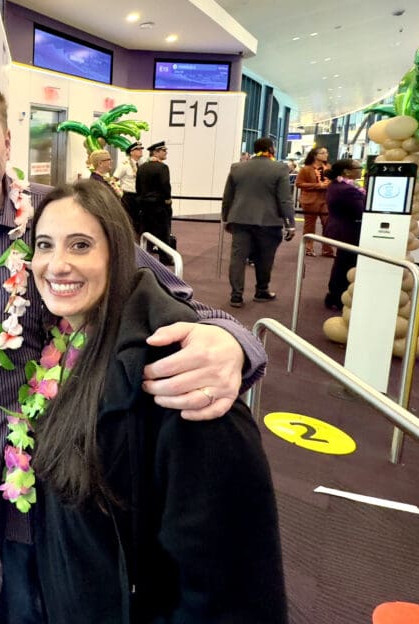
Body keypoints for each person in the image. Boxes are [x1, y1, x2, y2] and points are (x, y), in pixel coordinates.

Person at [0, 63, 268, 624]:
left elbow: (172, 298)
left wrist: (234, 341)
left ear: (7, 140)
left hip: (50, 488)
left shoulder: (59, 219)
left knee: (32, 613)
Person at [28, 179, 288, 622]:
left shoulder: (179, 378)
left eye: (80, 245)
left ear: (120, 255)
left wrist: (237, 341)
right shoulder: (76, 342)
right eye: (44, 245)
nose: (57, 265)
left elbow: (228, 589)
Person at [221, 137, 296, 307]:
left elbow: (228, 197)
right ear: (271, 148)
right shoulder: (280, 168)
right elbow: (285, 199)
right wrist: (290, 223)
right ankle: (262, 291)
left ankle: (236, 295)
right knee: (265, 258)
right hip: (269, 221)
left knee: (237, 258)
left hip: (240, 219)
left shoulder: (237, 167)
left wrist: (226, 217)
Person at [324, 158, 365, 311]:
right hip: (348, 230)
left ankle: (335, 294)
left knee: (342, 262)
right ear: (346, 171)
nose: (361, 169)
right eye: (358, 167)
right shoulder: (347, 189)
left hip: (342, 229)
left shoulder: (339, 186)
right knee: (346, 264)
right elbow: (360, 210)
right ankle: (338, 296)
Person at [136, 140, 173, 263]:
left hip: (144, 205)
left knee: (146, 231)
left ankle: (143, 257)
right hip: (159, 205)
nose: (166, 152)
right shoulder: (162, 167)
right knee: (163, 232)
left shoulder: (142, 167)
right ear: (156, 152)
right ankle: (165, 257)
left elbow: (138, 187)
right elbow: (165, 186)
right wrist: (168, 200)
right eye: (163, 150)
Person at [297, 146, 334, 258]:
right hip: (310, 200)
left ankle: (327, 249)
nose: (326, 154)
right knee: (310, 226)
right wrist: (318, 185)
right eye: (322, 153)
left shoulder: (329, 167)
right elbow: (299, 184)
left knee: (328, 225)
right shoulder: (306, 169)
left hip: (326, 200)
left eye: (326, 152)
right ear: (315, 155)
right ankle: (308, 248)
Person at [113, 140, 143, 235]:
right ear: (131, 152)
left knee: (138, 221)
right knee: (129, 220)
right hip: (129, 197)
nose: (140, 151)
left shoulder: (141, 164)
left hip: (139, 196)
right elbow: (113, 180)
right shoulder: (124, 165)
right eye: (137, 149)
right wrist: (119, 192)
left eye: (141, 149)